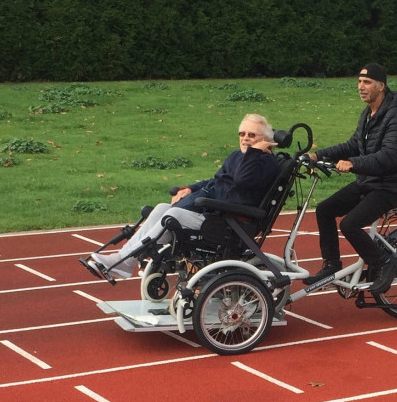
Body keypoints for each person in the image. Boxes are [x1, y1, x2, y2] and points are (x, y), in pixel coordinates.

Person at [84, 113, 281, 281]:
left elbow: (241, 180)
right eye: (242, 133)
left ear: (265, 141)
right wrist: (190, 188)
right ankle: (124, 261)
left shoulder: (267, 163)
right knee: (162, 208)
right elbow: (215, 181)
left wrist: (254, 153)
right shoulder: (237, 156)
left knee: (173, 216)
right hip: (214, 211)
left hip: (230, 221)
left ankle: (123, 261)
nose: (245, 138)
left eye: (252, 135)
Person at [301, 63, 397, 295]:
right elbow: (353, 145)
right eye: (359, 82)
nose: (361, 87)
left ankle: (384, 262)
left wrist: (354, 164)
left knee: (350, 224)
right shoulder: (367, 113)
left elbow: (388, 157)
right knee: (324, 210)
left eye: (367, 83)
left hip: (391, 185)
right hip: (369, 181)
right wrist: (318, 154)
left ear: (381, 86)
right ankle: (331, 265)